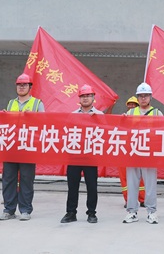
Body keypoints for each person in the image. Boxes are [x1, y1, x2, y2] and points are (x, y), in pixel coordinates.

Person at [0, 74, 44, 221]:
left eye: (25, 85)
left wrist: (33, 118)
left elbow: (44, 124)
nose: (22, 87)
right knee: (8, 179)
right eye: (19, 85)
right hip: (11, 147)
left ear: (30, 87)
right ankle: (9, 209)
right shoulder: (11, 103)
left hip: (28, 147)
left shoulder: (37, 104)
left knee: (26, 179)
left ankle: (25, 210)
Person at [60, 85, 102, 224]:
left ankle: (92, 213)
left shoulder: (99, 115)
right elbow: (66, 132)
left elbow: (105, 133)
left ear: (93, 98)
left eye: (88, 96)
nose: (85, 98)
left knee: (92, 186)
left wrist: (96, 120)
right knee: (72, 185)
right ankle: (71, 212)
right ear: (79, 99)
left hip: (91, 155)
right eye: (83, 96)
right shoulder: (73, 115)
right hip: (75, 155)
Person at [123, 82, 162, 224]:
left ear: (151, 97)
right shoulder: (130, 113)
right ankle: (132, 212)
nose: (143, 98)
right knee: (132, 184)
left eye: (146, 95)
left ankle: (151, 212)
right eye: (140, 96)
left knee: (150, 185)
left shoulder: (157, 113)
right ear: (137, 98)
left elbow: (163, 133)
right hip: (133, 153)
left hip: (149, 154)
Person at [119, 96, 146, 207]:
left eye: (133, 104)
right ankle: (128, 199)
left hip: (138, 150)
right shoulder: (123, 118)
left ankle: (142, 199)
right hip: (124, 151)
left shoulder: (143, 119)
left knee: (141, 176)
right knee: (124, 177)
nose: (131, 106)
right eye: (129, 104)